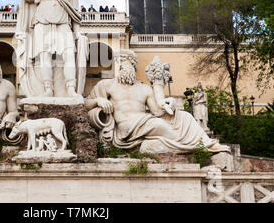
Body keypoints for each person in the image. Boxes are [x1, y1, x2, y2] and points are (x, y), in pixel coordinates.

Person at [84, 50, 230, 154]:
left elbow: (158, 112)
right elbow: (84, 104)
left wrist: (170, 101)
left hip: (146, 122)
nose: (122, 66)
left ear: (133, 67)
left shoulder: (144, 89)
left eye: (125, 62)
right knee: (158, 124)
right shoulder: (107, 85)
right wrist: (98, 100)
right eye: (120, 63)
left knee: (185, 117)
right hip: (126, 129)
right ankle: (200, 145)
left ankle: (202, 143)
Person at [11, 0, 88, 97]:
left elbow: (75, 16)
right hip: (42, 22)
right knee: (44, 56)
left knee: (68, 55)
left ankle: (71, 89)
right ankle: (47, 89)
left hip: (62, 23)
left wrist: (78, 33)